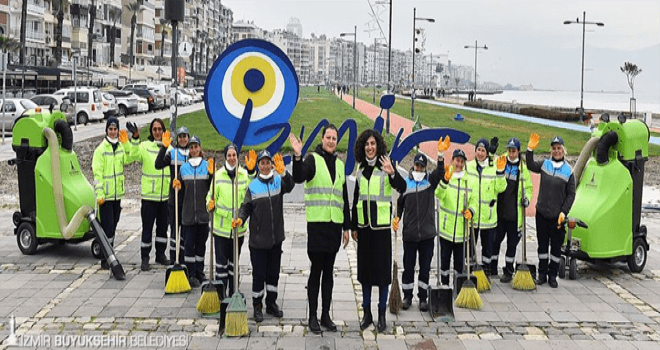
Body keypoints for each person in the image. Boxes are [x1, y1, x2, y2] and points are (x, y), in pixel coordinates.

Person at [289, 125, 350, 334]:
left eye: (334, 138)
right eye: (328, 137)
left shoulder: (340, 165)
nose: (331, 141)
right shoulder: (313, 160)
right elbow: (299, 177)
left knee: (329, 273)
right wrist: (297, 157)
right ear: (322, 139)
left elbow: (344, 198)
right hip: (317, 226)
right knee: (316, 271)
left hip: (334, 226)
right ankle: (313, 316)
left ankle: (325, 314)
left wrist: (346, 227)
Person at [351, 129, 406, 333]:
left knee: (383, 276)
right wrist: (354, 226)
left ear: (378, 146)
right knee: (365, 275)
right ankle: (367, 313)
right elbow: (356, 199)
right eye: (367, 144)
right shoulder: (360, 168)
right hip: (365, 230)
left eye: (373, 143)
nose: (370, 147)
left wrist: (392, 172)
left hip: (382, 229)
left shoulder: (386, 166)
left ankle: (382, 313)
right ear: (362, 147)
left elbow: (402, 187)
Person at [234, 150, 295, 322]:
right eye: (263, 163)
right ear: (259, 165)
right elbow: (245, 207)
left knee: (273, 274)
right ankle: (257, 306)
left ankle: (272, 303)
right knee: (259, 275)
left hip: (276, 239)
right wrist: (240, 219)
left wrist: (283, 172)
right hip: (258, 241)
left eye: (268, 163)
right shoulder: (253, 186)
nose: (266, 166)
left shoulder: (277, 181)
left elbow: (290, 186)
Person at [392, 137, 451, 312]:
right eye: (416, 166)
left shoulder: (430, 183)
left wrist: (440, 155)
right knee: (408, 267)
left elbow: (440, 173)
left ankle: (423, 297)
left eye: (422, 167)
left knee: (425, 267)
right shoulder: (405, 184)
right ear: (413, 167)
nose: (419, 168)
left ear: (425, 168)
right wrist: (398, 217)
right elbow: (400, 203)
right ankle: (408, 296)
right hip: (410, 234)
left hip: (427, 234)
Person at [526, 134, 576, 288]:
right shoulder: (545, 164)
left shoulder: (569, 171)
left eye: (559, 148)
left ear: (563, 150)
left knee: (555, 248)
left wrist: (564, 212)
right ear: (551, 150)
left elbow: (571, 194)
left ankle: (552, 276)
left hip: (557, 217)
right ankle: (541, 274)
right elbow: (530, 165)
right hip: (541, 213)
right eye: (554, 148)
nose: (556, 151)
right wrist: (529, 150)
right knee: (542, 247)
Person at [206, 144, 256, 297]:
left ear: (238, 157)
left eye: (234, 155)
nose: (232, 158)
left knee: (234, 263)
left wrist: (252, 171)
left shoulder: (243, 175)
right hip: (220, 230)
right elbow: (210, 196)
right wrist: (209, 204)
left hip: (237, 230)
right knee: (221, 264)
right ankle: (221, 293)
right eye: (229, 155)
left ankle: (234, 291)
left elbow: (252, 191)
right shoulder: (219, 175)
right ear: (225, 157)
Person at [127, 118, 171, 271]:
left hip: (164, 196)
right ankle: (145, 257)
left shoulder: (169, 148)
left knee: (162, 229)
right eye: (155, 129)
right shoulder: (144, 146)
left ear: (163, 131)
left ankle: (160, 255)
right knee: (147, 228)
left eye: (160, 129)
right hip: (149, 197)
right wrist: (135, 138)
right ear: (151, 131)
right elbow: (133, 155)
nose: (157, 132)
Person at [92, 117, 133, 269]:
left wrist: (128, 142)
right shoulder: (100, 150)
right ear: (106, 130)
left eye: (115, 129)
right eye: (111, 129)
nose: (113, 131)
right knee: (107, 228)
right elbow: (97, 174)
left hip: (117, 195)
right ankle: (106, 258)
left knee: (113, 227)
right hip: (106, 197)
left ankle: (109, 253)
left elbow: (130, 158)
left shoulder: (121, 147)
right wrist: (99, 193)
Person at [173, 135, 213, 288]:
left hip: (202, 215)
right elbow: (179, 191)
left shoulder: (206, 166)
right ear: (189, 149)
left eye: (196, 146)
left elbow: (212, 187)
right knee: (189, 246)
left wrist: (212, 175)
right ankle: (190, 273)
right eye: (192, 147)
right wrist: (176, 184)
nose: (194, 149)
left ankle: (200, 272)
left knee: (201, 245)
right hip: (188, 215)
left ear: (200, 148)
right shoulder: (183, 168)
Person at [492, 138, 533, 281]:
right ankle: (492, 268)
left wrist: (526, 199)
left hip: (514, 215)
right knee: (495, 241)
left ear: (518, 151)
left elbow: (528, 187)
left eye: (514, 150)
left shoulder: (523, 169)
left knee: (511, 244)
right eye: (509, 150)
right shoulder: (502, 161)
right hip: (500, 212)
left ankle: (508, 272)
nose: (511, 153)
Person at [435, 148, 477, 286]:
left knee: (459, 263)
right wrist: (445, 181)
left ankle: (458, 289)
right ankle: (445, 286)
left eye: (461, 161)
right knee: (445, 261)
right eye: (456, 160)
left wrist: (471, 211)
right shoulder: (447, 177)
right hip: (446, 231)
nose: (459, 164)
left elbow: (474, 201)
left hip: (461, 232)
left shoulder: (469, 180)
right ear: (452, 160)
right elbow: (438, 194)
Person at [465, 138, 506, 275]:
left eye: (483, 150)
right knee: (470, 248)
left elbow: (501, 188)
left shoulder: (494, 168)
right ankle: (469, 273)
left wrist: (500, 173)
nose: (480, 153)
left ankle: (486, 273)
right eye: (478, 150)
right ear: (475, 151)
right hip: (473, 217)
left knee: (487, 249)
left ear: (487, 153)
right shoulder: (468, 166)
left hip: (488, 218)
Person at [155, 126, 190, 263]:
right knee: (175, 233)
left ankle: (184, 261)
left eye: (185, 136)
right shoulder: (173, 153)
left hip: (188, 201)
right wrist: (164, 147)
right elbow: (158, 165)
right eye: (180, 137)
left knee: (186, 235)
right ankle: (173, 261)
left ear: (188, 137)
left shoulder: (194, 153)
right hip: (175, 200)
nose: (182, 139)